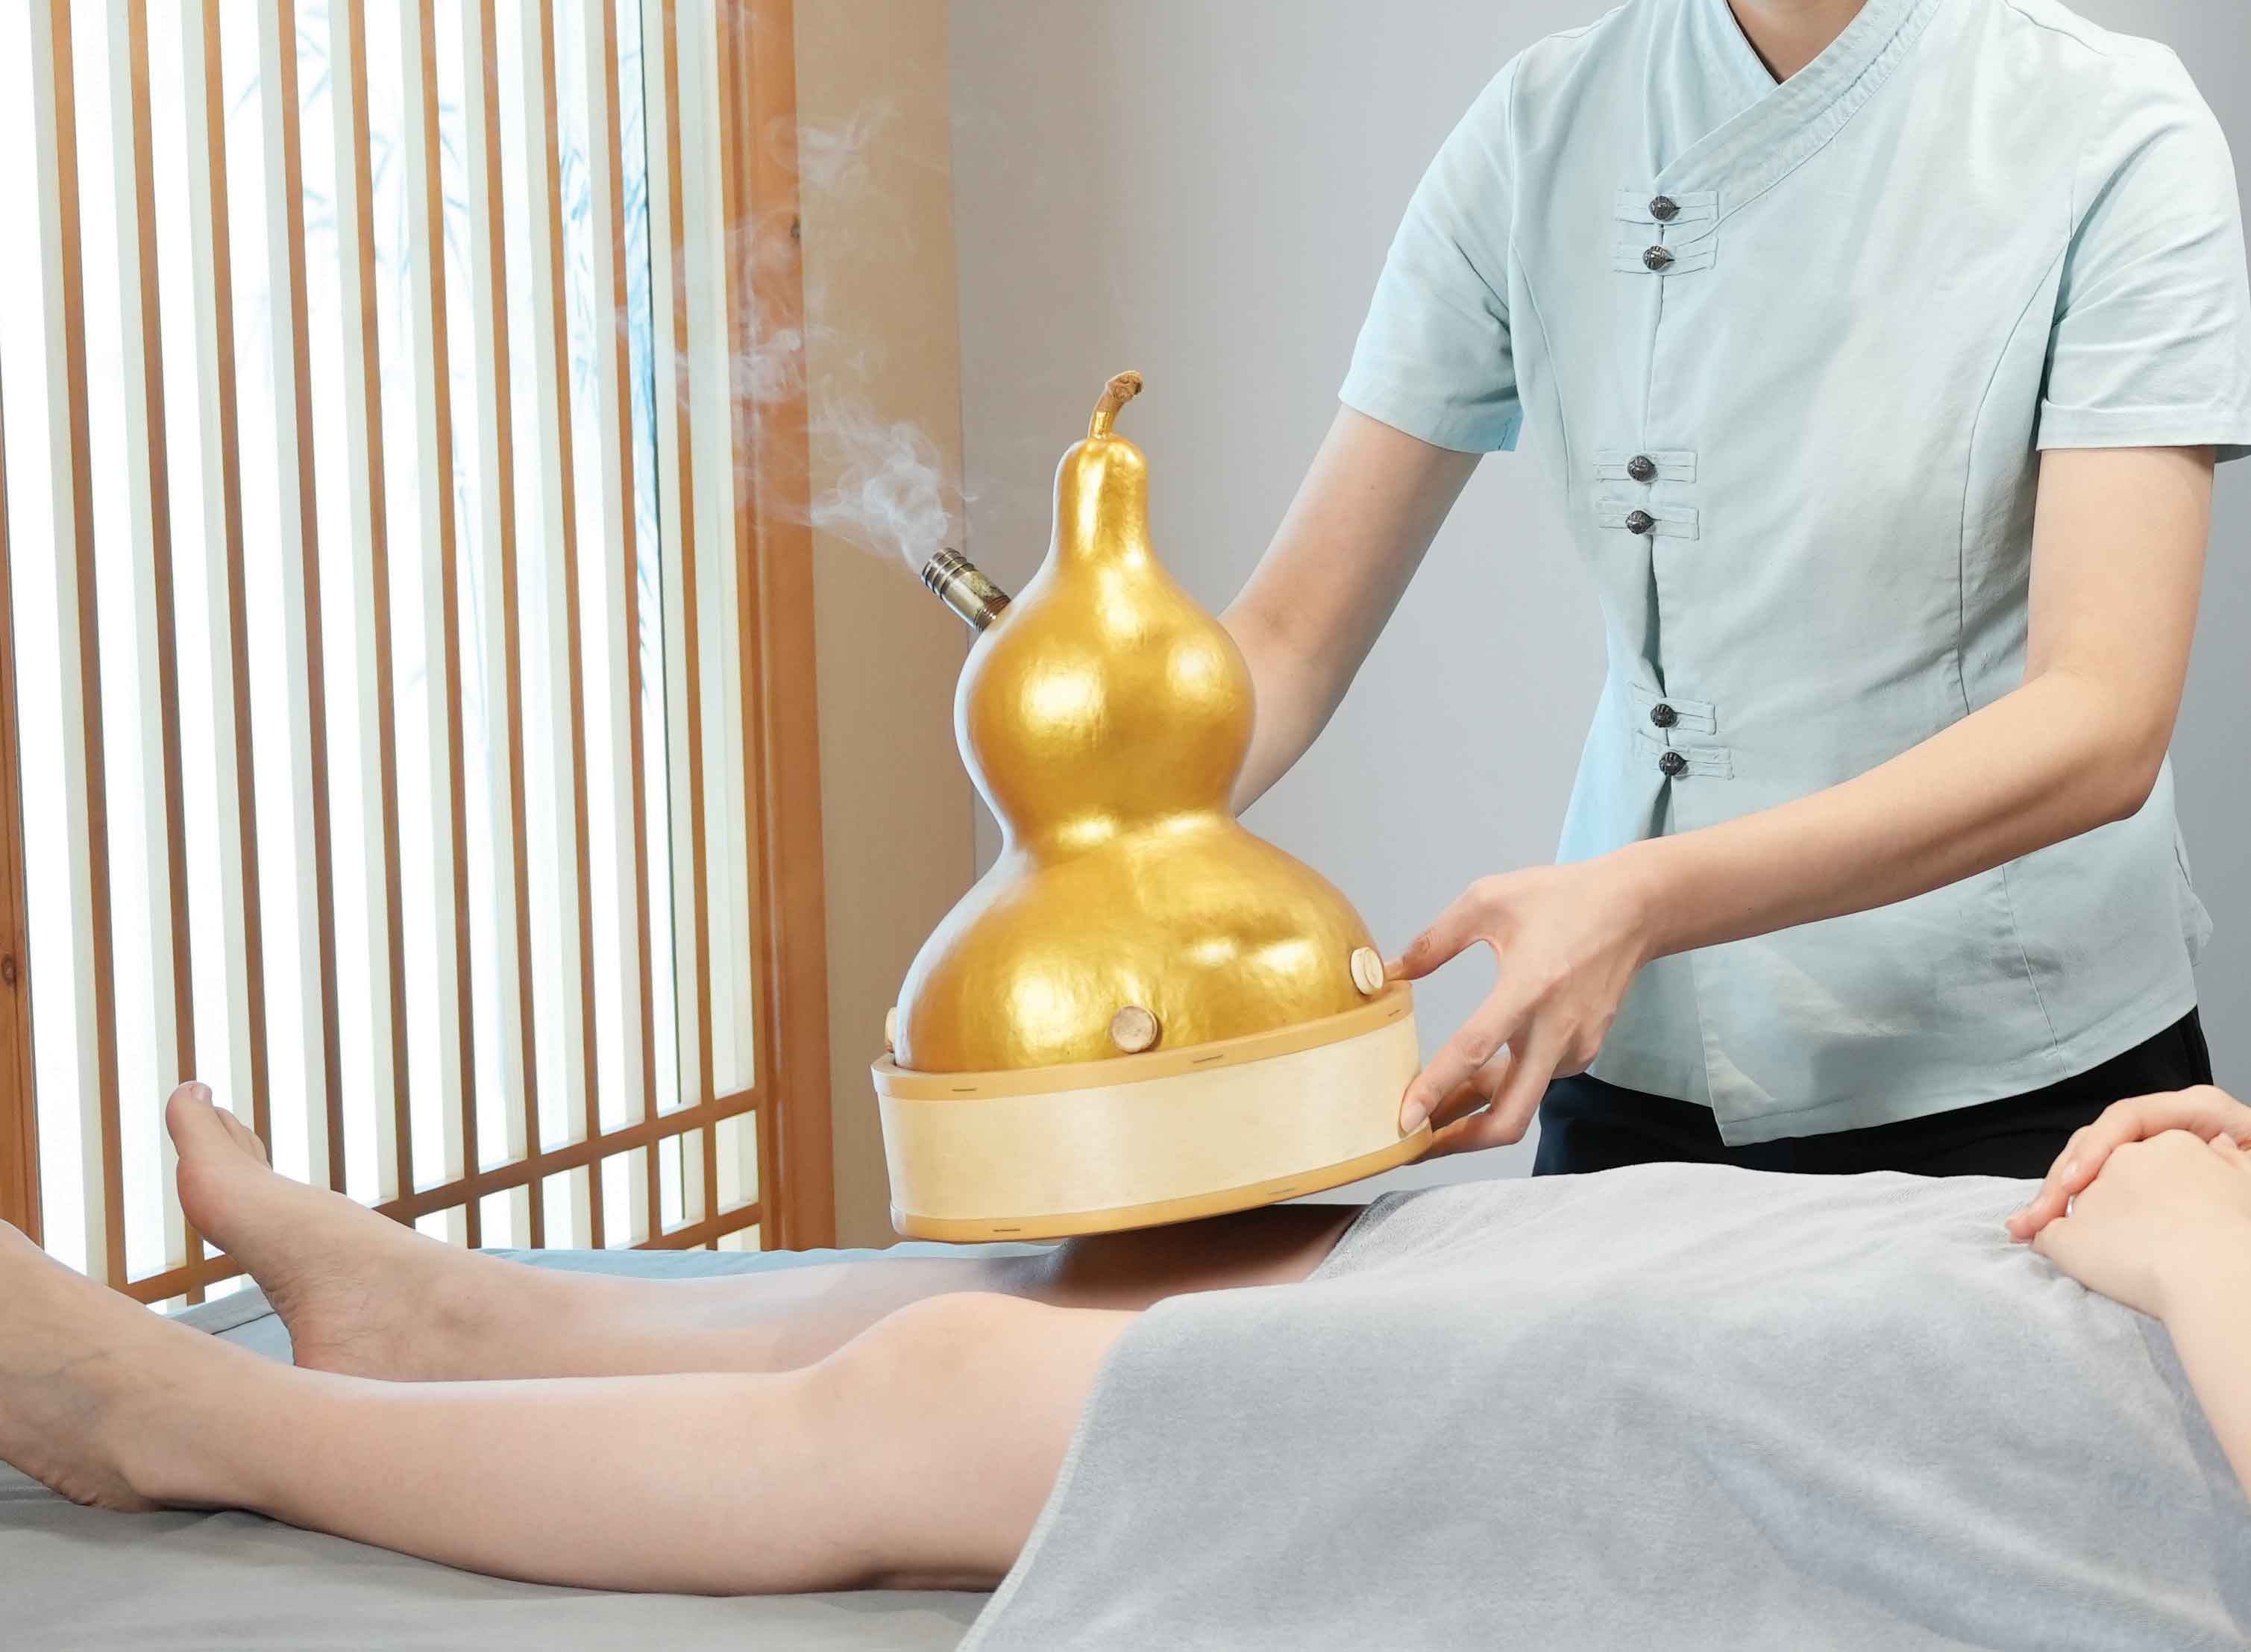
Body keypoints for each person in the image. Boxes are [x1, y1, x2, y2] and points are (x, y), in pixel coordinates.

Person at [1, 1079, 2247, 1649]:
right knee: (1234, 1268)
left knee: (972, 1405)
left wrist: (2191, 1241)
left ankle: (188, 1420)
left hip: (2046, 1445)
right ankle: (466, 1323)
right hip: (2022, 1295)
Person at [1220, 0, 2251, 1176]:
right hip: (1636, 1043)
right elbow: (1287, 638)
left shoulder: (2108, 120)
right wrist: (1084, 836)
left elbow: (2099, 721)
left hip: (2014, 1063)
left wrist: (1642, 900)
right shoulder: (1539, 122)